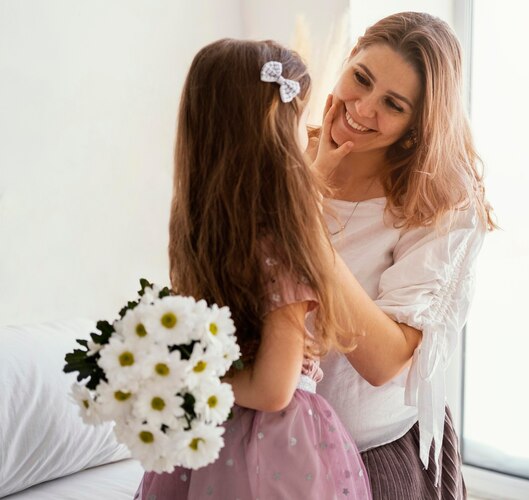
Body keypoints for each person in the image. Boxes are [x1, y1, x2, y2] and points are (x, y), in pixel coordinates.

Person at [134, 39, 372, 500]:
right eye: (299, 126)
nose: (307, 140)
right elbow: (273, 390)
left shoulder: (206, 229)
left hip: (213, 433)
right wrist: (190, 375)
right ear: (275, 136)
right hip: (275, 446)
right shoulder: (282, 243)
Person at [311, 12, 496, 499]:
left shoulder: (441, 205)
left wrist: (305, 226)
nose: (363, 109)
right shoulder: (287, 154)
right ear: (348, 60)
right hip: (265, 436)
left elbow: (385, 361)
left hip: (370, 455)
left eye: (392, 104)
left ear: (417, 124)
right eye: (361, 79)